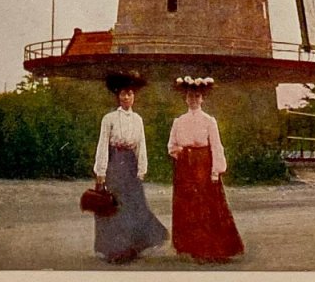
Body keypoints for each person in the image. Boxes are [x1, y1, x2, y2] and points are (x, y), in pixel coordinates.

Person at [168, 76, 244, 263]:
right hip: (186, 167)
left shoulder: (209, 121)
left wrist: (216, 171)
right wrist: (182, 152)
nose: (193, 100)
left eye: (197, 96)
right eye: (190, 97)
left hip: (204, 165)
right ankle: (193, 247)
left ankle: (211, 247)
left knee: (207, 206)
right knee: (189, 206)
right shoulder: (179, 121)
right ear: (185, 99)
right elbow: (171, 146)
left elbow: (216, 146)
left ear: (202, 99)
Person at [93, 74, 168, 264]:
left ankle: (133, 246)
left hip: (130, 163)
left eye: (130, 94)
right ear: (118, 96)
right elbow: (102, 145)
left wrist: (142, 168)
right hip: (114, 163)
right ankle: (116, 249)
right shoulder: (109, 118)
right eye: (123, 94)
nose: (126, 98)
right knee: (115, 206)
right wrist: (100, 172)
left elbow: (141, 145)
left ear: (134, 96)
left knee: (135, 205)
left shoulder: (138, 120)